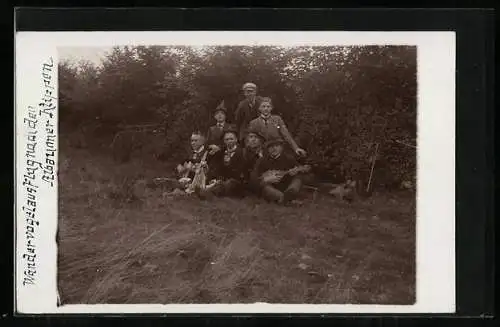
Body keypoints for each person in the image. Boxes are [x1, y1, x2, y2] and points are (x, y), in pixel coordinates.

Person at [251, 137, 310, 204]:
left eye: (277, 146)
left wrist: (296, 172)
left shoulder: (289, 158)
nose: (274, 148)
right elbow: (253, 177)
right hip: (271, 188)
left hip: (286, 186)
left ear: (281, 148)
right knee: (265, 187)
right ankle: (286, 199)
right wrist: (265, 180)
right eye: (271, 147)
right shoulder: (262, 161)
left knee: (298, 178)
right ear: (268, 149)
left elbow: (303, 170)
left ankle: (289, 194)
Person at [195, 127, 246, 198]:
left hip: (236, 181)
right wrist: (216, 178)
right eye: (227, 139)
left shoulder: (242, 152)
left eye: (231, 139)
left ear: (236, 140)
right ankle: (206, 191)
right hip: (222, 180)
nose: (229, 141)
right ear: (224, 141)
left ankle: (208, 193)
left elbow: (241, 171)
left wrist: (229, 164)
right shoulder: (221, 152)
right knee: (216, 182)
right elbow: (217, 168)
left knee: (229, 183)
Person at [241, 127, 266, 192]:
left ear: (261, 140)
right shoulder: (243, 152)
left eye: (256, 137)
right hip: (249, 180)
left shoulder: (266, 152)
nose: (253, 139)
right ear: (247, 139)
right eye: (251, 137)